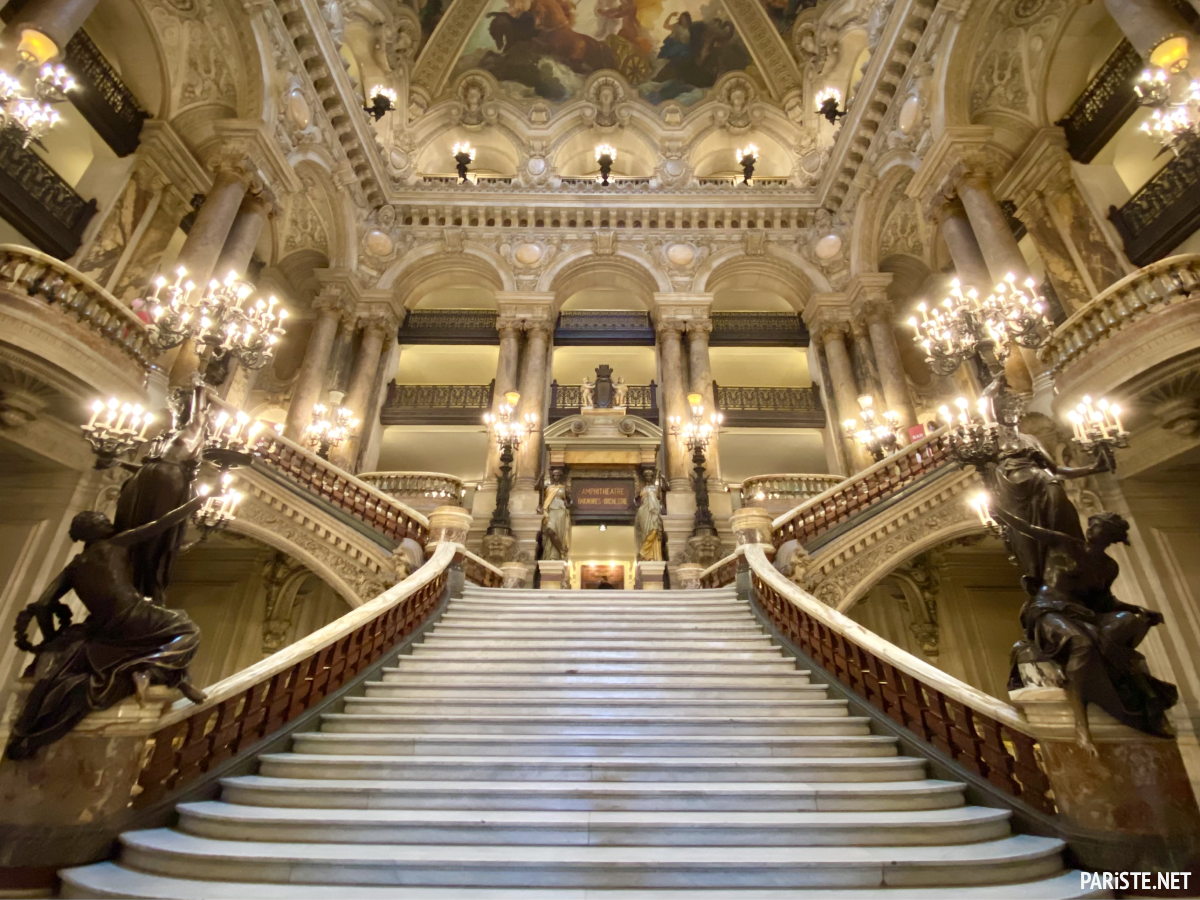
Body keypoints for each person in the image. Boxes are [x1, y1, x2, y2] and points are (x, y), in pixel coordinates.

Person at [6, 495, 209, 760]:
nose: (107, 523)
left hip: (105, 626)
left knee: (169, 630)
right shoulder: (114, 544)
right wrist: (199, 500)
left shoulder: (74, 567)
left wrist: (49, 638)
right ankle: (152, 668)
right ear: (91, 530)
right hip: (134, 614)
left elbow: (43, 604)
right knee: (188, 628)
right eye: (101, 521)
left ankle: (172, 675)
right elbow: (160, 525)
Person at [540, 470, 571, 560]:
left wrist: (568, 505)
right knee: (550, 530)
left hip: (561, 511)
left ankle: (556, 554)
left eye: (558, 475)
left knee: (558, 532)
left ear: (560, 477)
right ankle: (562, 550)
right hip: (550, 510)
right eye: (554, 475)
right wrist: (540, 477)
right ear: (552, 477)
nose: (556, 477)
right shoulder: (548, 487)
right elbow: (537, 487)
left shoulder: (563, 488)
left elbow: (570, 500)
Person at [634, 469, 662, 561]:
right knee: (645, 533)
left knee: (654, 530)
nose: (648, 478)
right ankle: (647, 555)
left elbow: (665, 490)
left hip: (654, 511)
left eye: (650, 476)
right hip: (644, 511)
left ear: (652, 477)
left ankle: (643, 552)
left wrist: (662, 479)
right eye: (646, 476)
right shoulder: (642, 489)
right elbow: (635, 501)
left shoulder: (656, 488)